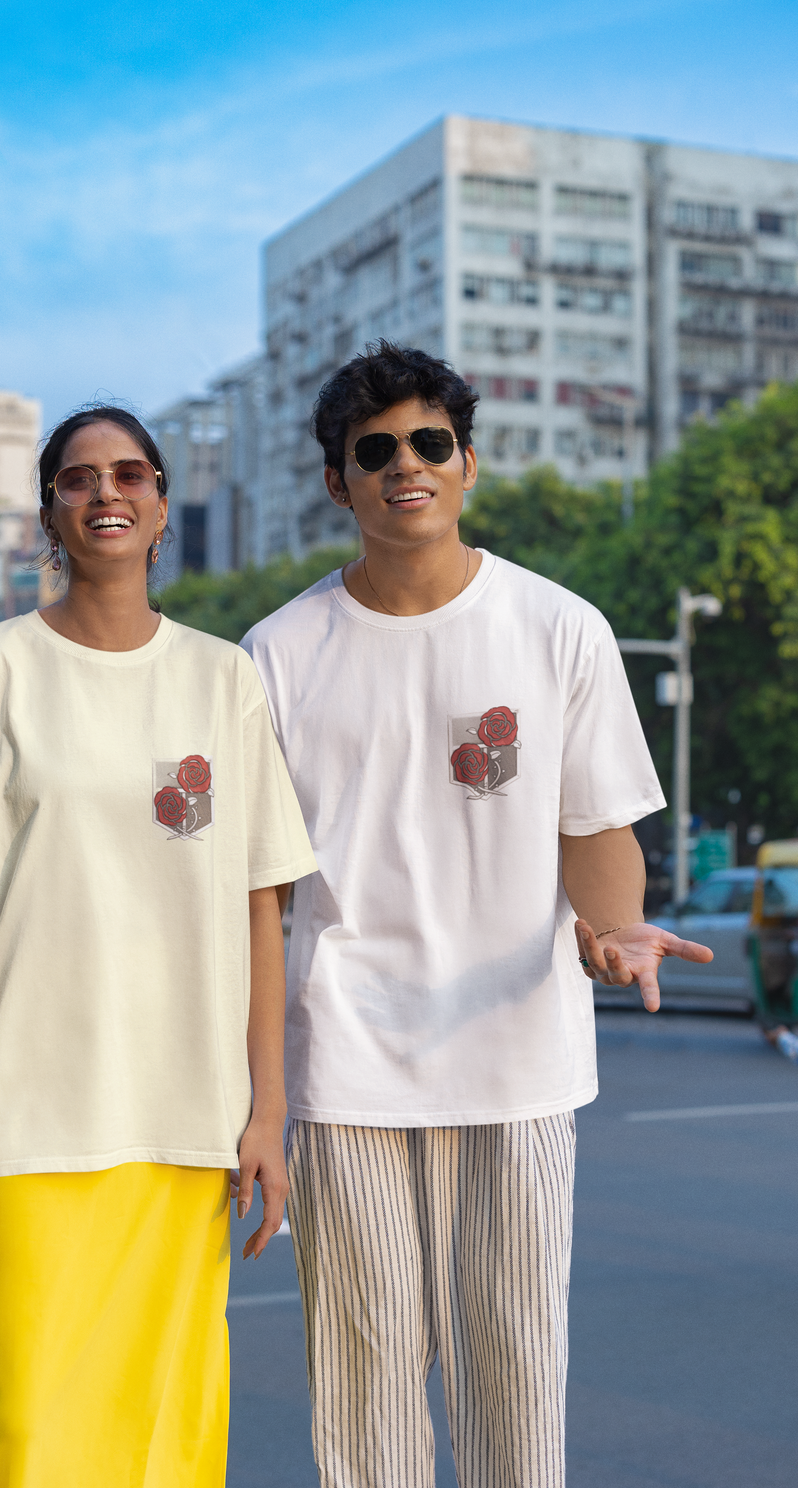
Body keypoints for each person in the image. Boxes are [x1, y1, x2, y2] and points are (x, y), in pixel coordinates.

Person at [242, 342, 713, 1488]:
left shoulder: (559, 628)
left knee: (514, 1365)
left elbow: (595, 828)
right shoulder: (275, 655)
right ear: (336, 481)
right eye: (375, 449)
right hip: (342, 1061)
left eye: (429, 442)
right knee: (363, 1381)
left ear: (467, 463)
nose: (406, 464)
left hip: (517, 1055)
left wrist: (611, 934)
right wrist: (249, 1092)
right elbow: (252, 894)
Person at [0, 404, 316, 1488]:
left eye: (130, 475)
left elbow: (260, 903)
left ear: (162, 508)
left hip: (185, 1125)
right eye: (76, 479)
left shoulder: (221, 680)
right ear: (49, 514)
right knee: (23, 1430)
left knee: (166, 1429)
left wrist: (269, 1111)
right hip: (22, 1124)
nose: (105, 493)